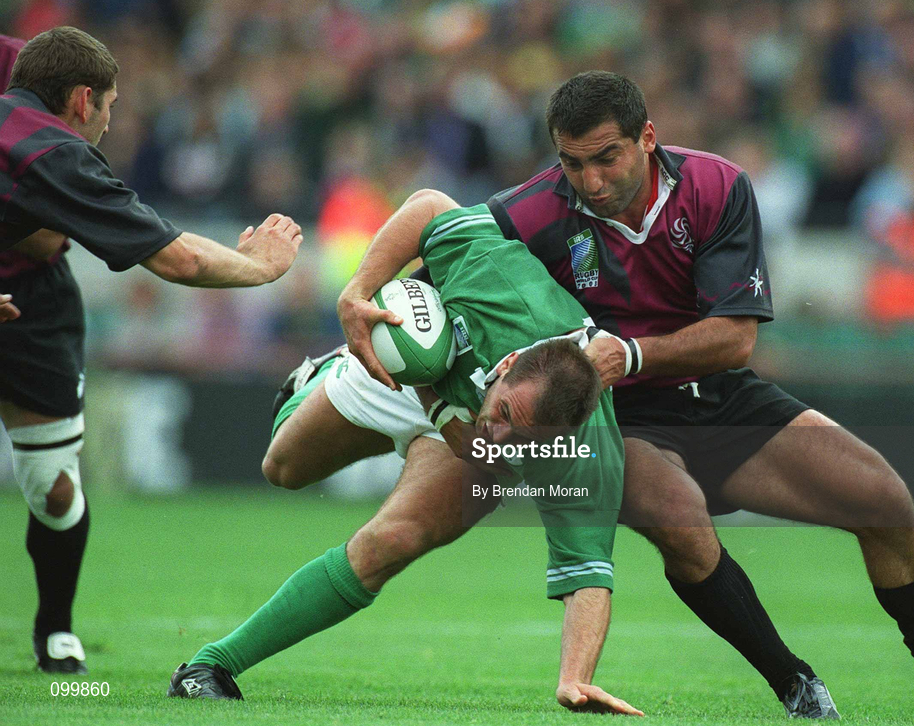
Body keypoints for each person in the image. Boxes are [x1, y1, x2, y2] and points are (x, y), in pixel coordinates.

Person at [476, 70, 914, 723]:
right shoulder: (529, 209)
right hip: (621, 419)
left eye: (605, 158)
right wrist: (369, 299)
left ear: (646, 138)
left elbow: (733, 341)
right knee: (681, 520)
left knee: (884, 500)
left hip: (718, 395)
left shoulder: (715, 186)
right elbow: (438, 241)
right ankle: (793, 682)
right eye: (571, 163)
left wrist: (631, 354)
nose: (589, 181)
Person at [168, 190, 643, 716]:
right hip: (418, 365)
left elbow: (589, 574)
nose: (502, 440)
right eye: (508, 418)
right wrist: (358, 292)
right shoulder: (499, 284)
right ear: (507, 364)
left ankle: (210, 666)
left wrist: (574, 680)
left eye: (527, 444)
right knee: (282, 468)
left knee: (392, 541)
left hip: (460, 416)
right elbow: (429, 207)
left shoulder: (586, 451)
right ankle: (321, 372)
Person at [0, 27, 304, 675]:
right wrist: (262, 268)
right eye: (109, 107)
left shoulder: (20, 63)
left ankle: (54, 630)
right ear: (84, 100)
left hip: (31, 309)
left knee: (53, 490)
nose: (110, 125)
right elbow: (180, 258)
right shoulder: (55, 153)